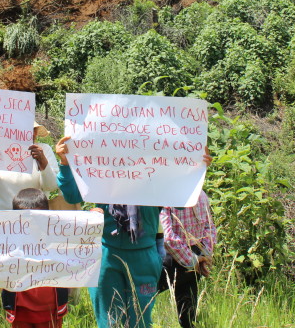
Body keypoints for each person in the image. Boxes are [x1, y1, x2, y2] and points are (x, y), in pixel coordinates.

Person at [53, 137, 211, 328]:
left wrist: (195, 169)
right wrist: (65, 161)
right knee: (109, 323)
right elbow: (72, 196)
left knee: (140, 322)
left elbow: (181, 200)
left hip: (144, 258)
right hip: (106, 257)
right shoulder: (102, 165)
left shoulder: (156, 170)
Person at [0, 188, 71, 327]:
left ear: (47, 215)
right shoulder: (9, 238)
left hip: (52, 309)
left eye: (38, 217)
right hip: (19, 309)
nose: (32, 223)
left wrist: (94, 218)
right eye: (26, 218)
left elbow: (81, 239)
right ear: (15, 218)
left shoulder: (58, 236)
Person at [158, 190, 217, 328]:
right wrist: (203, 255)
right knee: (187, 314)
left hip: (172, 257)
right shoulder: (201, 194)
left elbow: (168, 237)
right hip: (194, 255)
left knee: (143, 298)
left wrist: (196, 259)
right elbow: (210, 228)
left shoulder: (167, 196)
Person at [0, 123, 59, 211]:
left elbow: (51, 186)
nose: (31, 134)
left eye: (33, 130)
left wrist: (43, 161)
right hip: (0, 216)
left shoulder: (43, 150)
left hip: (32, 216)